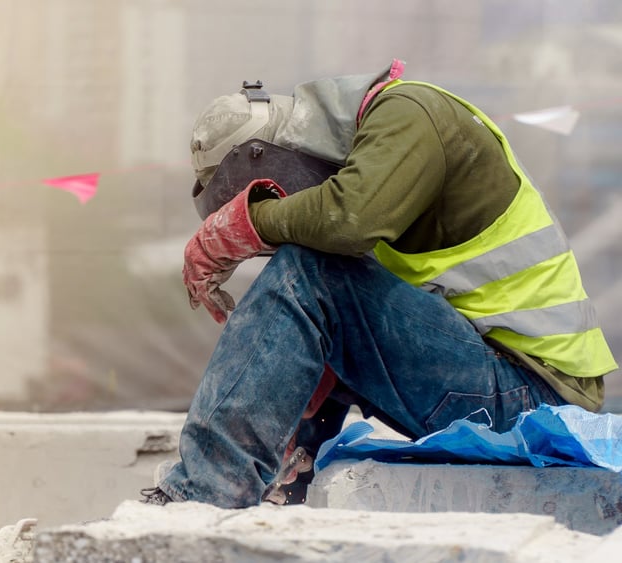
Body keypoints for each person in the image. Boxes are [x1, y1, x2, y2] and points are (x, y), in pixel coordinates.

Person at [141, 59, 618, 508]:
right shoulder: (378, 164)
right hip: (507, 387)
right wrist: (295, 373)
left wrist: (249, 223)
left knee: (311, 270)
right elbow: (364, 295)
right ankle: (286, 485)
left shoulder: (408, 115)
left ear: (267, 156)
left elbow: (346, 221)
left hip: (535, 402)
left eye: (267, 192)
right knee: (318, 287)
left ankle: (208, 490)